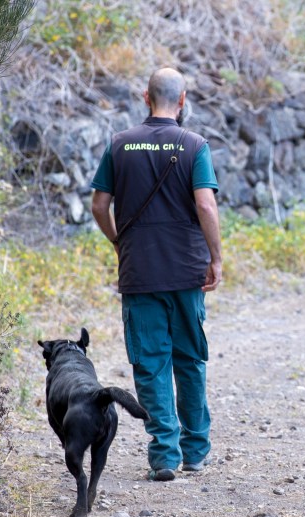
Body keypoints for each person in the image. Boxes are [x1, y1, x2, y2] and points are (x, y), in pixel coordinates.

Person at [90, 67, 223, 482]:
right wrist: (216, 259)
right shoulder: (194, 144)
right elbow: (206, 206)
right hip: (187, 272)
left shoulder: (118, 144)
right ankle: (195, 450)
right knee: (189, 359)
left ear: (145, 97)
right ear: (182, 100)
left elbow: (98, 206)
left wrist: (118, 242)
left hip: (140, 271)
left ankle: (164, 454)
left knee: (149, 362)